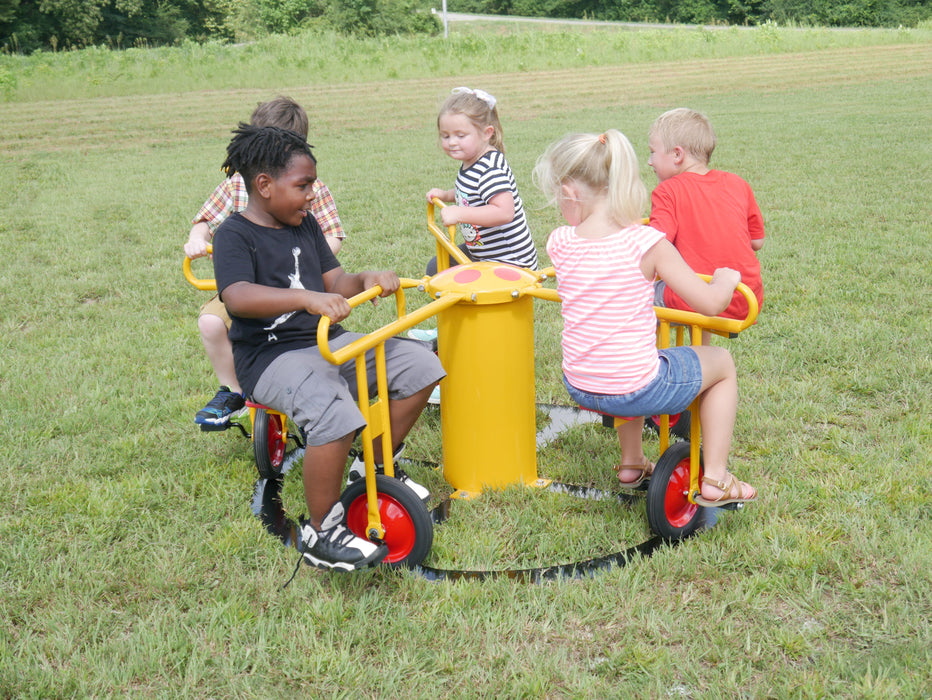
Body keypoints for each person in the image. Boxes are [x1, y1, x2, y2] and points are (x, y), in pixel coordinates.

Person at [212, 124, 445, 570]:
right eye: (303, 186)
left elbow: (336, 282)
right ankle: (324, 531)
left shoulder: (306, 225)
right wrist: (304, 298)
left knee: (419, 364)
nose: (312, 196)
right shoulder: (234, 235)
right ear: (264, 185)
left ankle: (371, 467)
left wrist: (365, 280)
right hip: (272, 357)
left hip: (326, 342)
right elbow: (237, 295)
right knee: (333, 411)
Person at [533, 130, 757, 507]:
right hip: (634, 386)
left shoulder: (560, 241)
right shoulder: (646, 243)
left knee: (628, 353)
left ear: (571, 191)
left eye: (557, 195)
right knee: (721, 363)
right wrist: (727, 278)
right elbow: (710, 304)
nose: (559, 205)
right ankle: (717, 477)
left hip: (580, 383)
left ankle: (632, 463)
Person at [184, 96, 346, 430]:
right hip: (244, 283)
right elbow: (205, 220)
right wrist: (198, 238)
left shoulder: (311, 189)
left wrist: (312, 259)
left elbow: (332, 234)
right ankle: (233, 390)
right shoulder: (234, 186)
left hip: (297, 283)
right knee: (212, 323)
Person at [647, 108, 764, 338]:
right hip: (744, 298)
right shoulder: (737, 183)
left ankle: (646, 363)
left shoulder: (668, 191)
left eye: (652, 152)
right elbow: (757, 241)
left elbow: (654, 245)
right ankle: (701, 355)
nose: (649, 162)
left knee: (637, 294)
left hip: (696, 300)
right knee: (699, 278)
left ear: (677, 155)